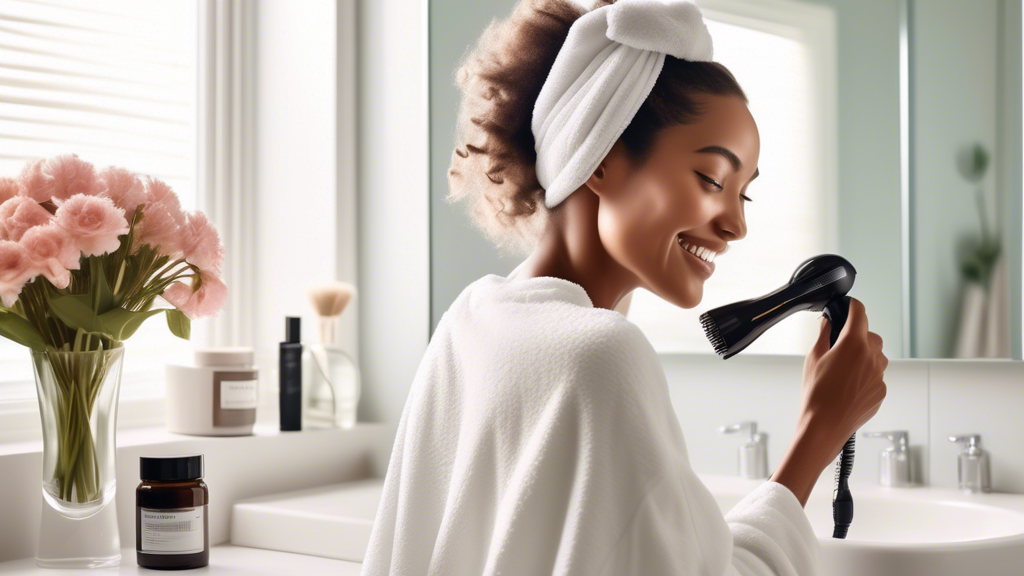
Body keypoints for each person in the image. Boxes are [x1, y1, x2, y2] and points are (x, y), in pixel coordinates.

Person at [361, 0, 889, 574]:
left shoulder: (471, 319)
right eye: (712, 179)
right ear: (600, 157)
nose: (737, 225)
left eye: (744, 194)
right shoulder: (601, 355)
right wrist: (818, 433)